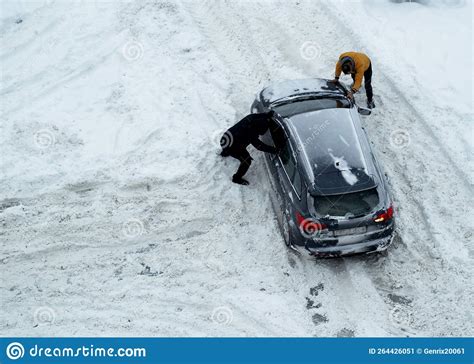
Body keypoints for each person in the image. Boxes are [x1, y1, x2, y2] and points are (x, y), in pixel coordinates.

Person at [220, 111, 278, 185]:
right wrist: (274, 150)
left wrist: (267, 115)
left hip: (225, 138)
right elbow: (260, 146)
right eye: (260, 132)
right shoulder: (251, 132)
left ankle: (225, 152)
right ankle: (236, 178)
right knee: (246, 160)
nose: (260, 134)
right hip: (231, 147)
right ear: (258, 128)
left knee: (239, 139)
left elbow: (260, 115)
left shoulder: (251, 118)